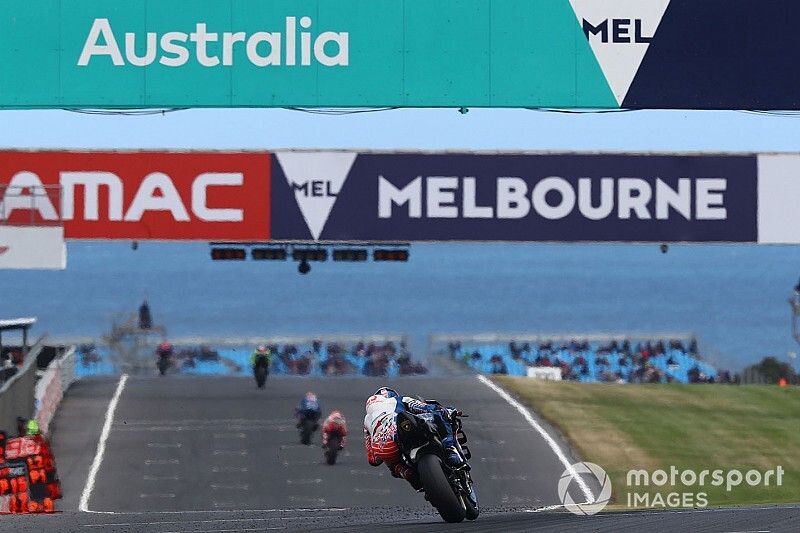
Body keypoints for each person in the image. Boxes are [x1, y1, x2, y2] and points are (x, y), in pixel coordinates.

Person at [363, 387, 462, 490]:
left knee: (394, 466)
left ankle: (407, 474)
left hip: (383, 448)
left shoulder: (367, 421)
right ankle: (450, 449)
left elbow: (373, 460)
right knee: (441, 414)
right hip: (403, 429)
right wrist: (447, 411)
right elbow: (425, 407)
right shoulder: (397, 400)